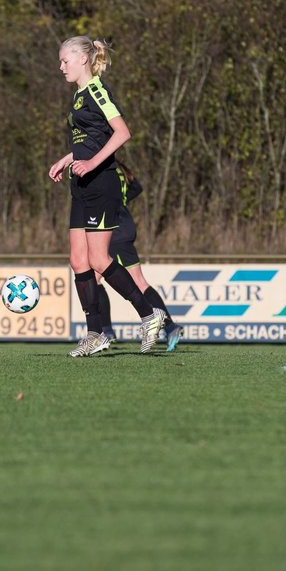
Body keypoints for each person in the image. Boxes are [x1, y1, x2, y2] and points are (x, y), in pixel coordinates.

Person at [48, 36, 165, 357]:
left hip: (102, 183)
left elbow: (122, 132)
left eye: (65, 61)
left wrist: (91, 162)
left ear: (82, 60)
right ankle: (95, 333)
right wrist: (68, 158)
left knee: (100, 259)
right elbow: (89, 140)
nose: (61, 67)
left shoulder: (97, 90)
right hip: (81, 184)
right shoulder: (78, 96)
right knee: (77, 260)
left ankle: (149, 314)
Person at [94, 162, 182, 352]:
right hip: (123, 225)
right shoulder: (118, 168)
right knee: (105, 279)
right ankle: (170, 327)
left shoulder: (101, 168)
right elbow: (137, 187)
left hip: (113, 230)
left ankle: (106, 332)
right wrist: (122, 202)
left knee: (103, 280)